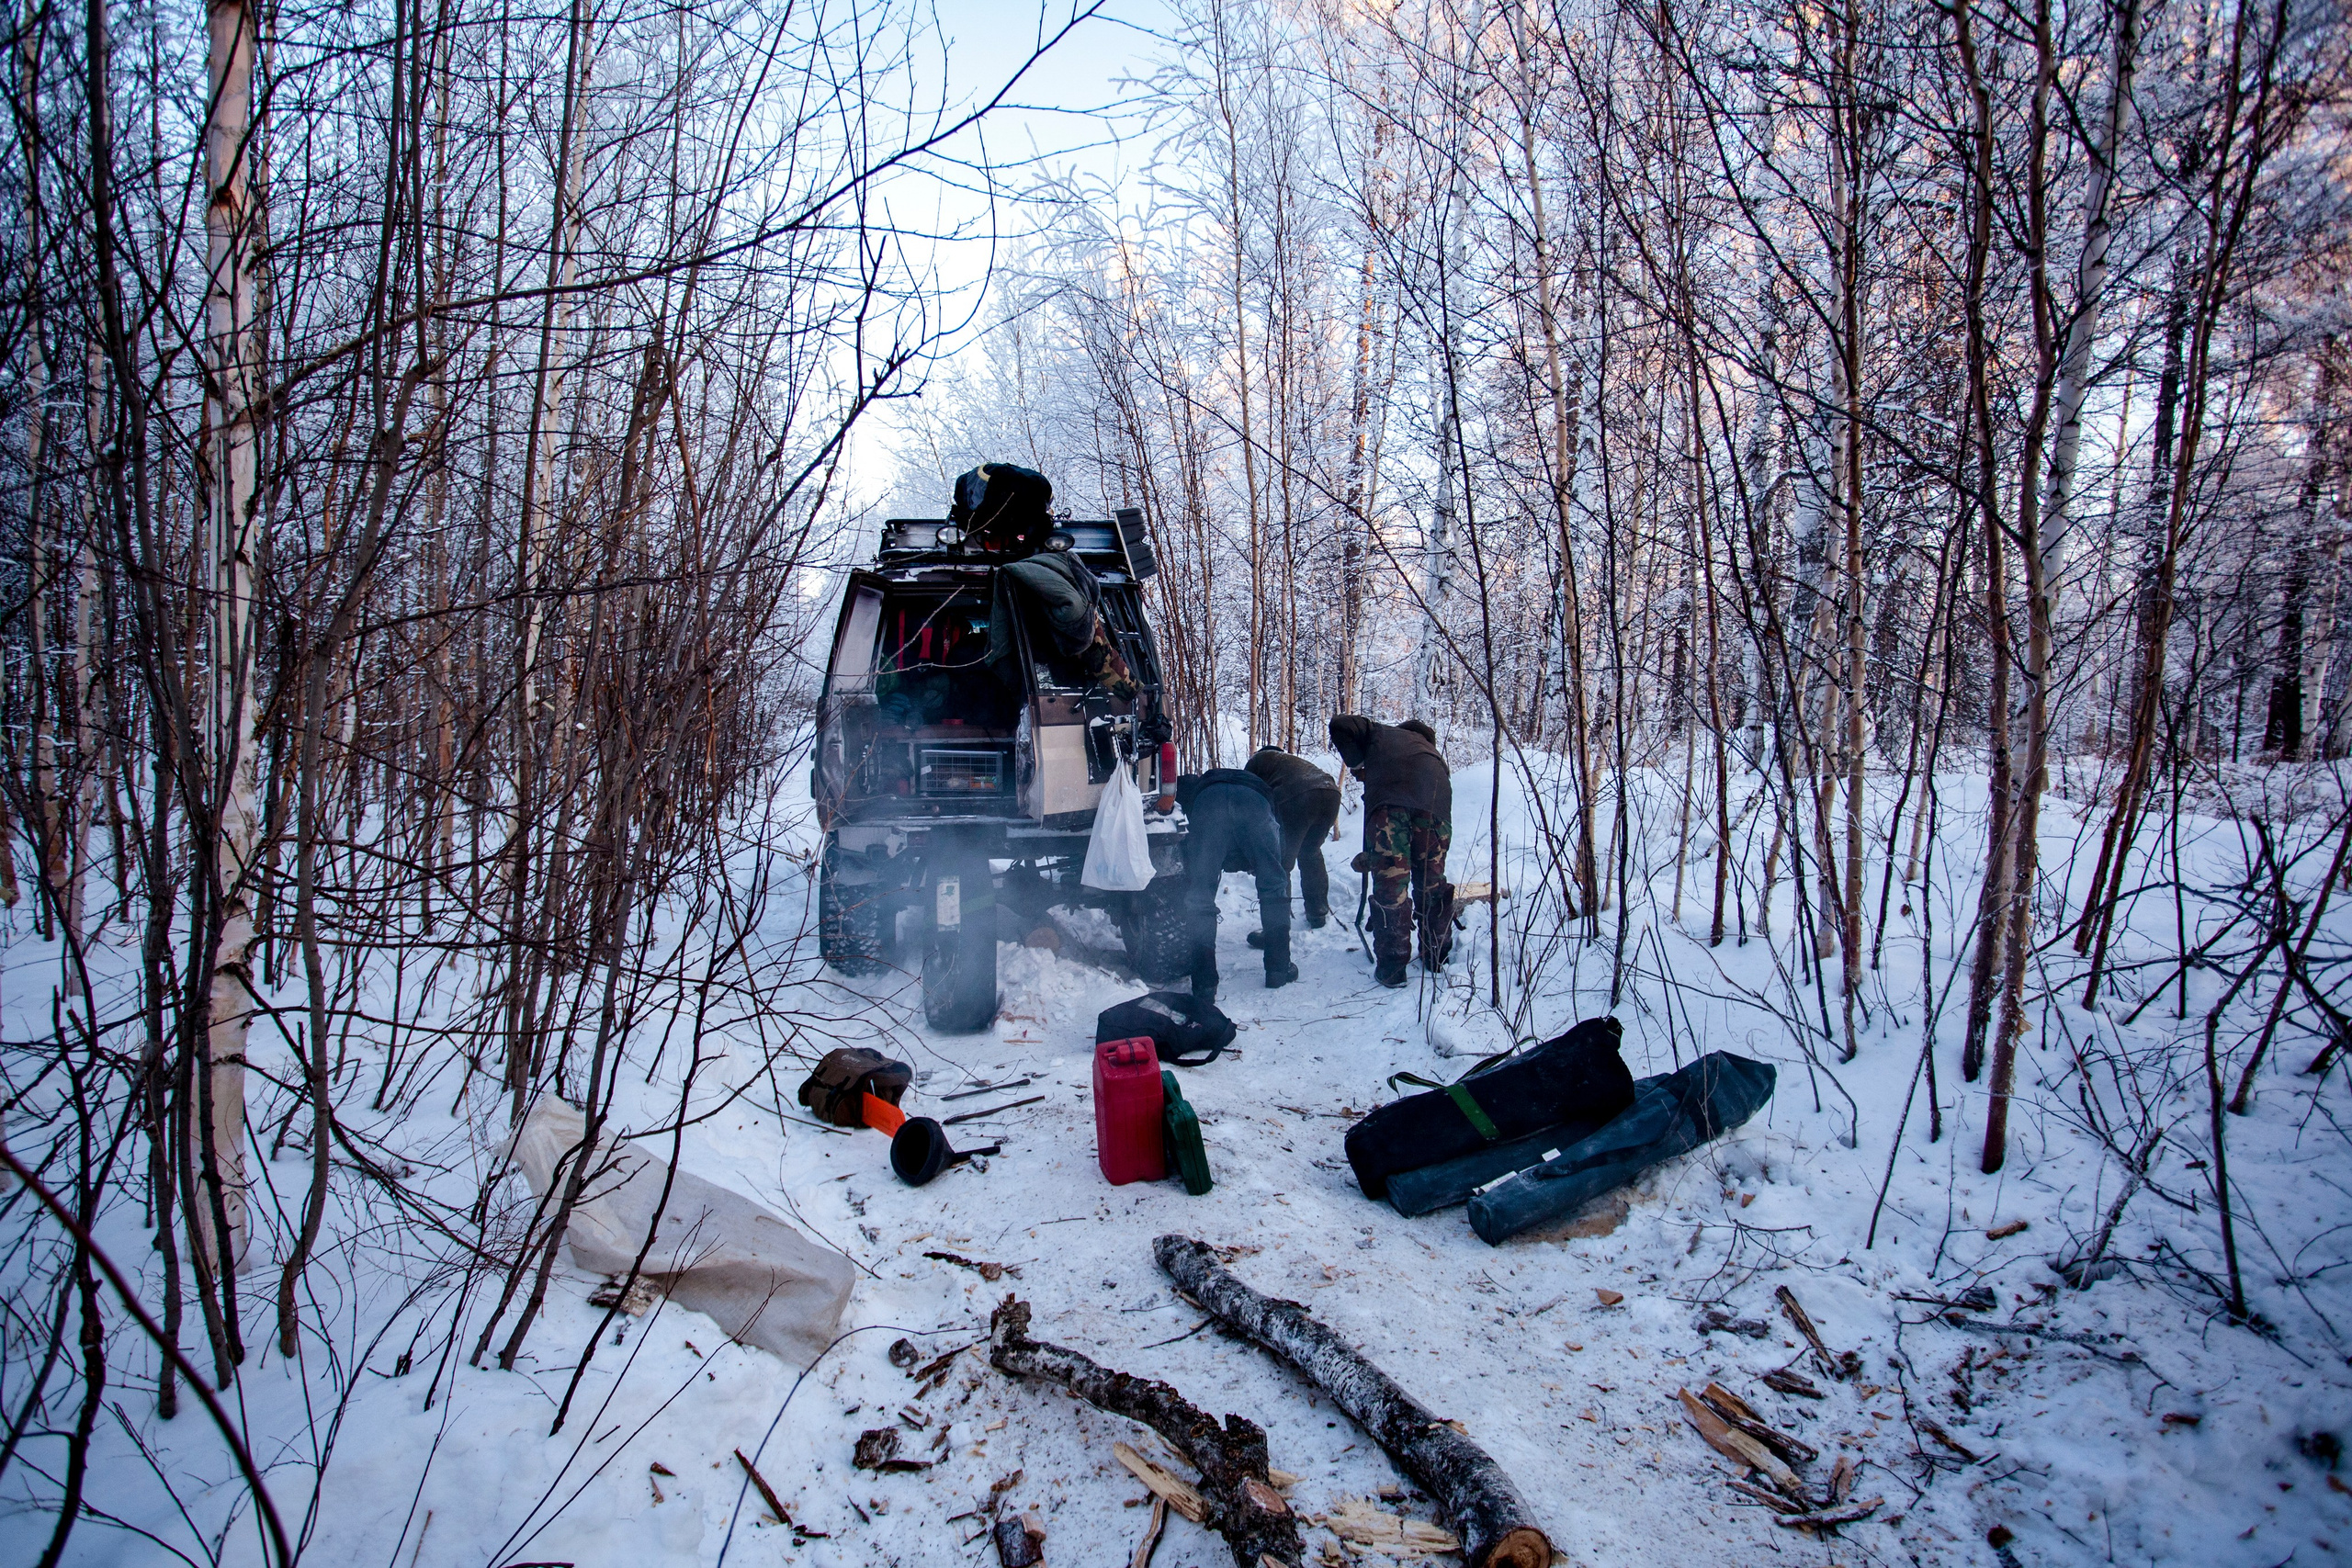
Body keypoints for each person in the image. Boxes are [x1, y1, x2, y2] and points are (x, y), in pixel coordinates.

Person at [1328, 716, 1452, 987]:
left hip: (1389, 808)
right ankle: (1437, 955)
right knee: (1432, 882)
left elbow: (1340, 724)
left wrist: (1358, 763)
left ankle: (1393, 967)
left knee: (1392, 884)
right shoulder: (1431, 753)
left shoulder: (1379, 733)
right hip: (1436, 808)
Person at [1170, 770, 1297, 1000]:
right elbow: (1280, 845)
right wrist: (1265, 863)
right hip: (1255, 802)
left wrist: (1202, 869)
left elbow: (1188, 838)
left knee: (1200, 894)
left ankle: (1204, 983)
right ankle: (1278, 969)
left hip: (1209, 803)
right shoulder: (1258, 783)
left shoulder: (1194, 787)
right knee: (1274, 886)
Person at [1244, 745, 1342, 932]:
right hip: (1331, 792)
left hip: (1299, 795)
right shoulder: (1292, 764)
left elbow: (1248, 796)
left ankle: (1276, 931)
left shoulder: (1258, 761)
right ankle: (1318, 913)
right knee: (1311, 853)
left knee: (1280, 864)